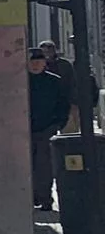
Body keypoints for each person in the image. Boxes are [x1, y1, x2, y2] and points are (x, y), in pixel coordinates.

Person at [27, 50, 71, 213]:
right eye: (32, 62)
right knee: (26, 166)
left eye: (39, 62)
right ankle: (31, 197)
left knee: (44, 167)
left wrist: (57, 124)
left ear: (45, 63)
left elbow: (63, 104)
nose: (35, 65)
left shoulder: (54, 82)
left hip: (46, 129)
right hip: (23, 130)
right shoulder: (21, 82)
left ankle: (45, 199)